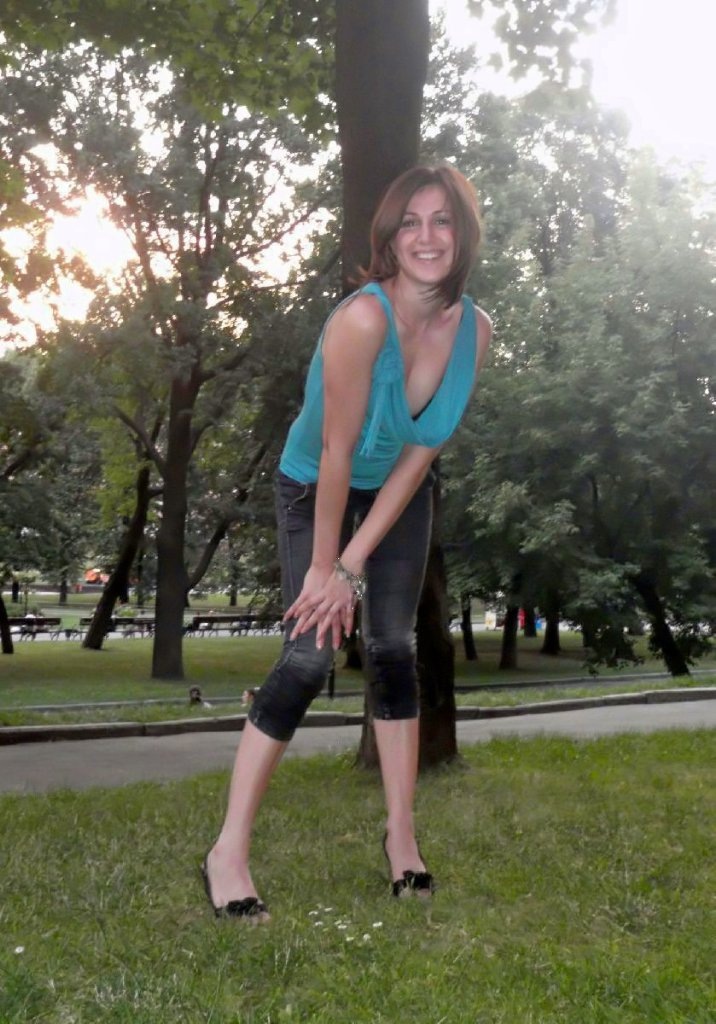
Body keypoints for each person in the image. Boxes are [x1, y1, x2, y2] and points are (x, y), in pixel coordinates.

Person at [201, 163, 492, 921]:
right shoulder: (363, 320)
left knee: (393, 647)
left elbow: (420, 455)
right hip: (316, 486)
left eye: (442, 220)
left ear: (463, 233)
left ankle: (402, 839)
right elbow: (336, 450)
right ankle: (228, 851)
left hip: (395, 490)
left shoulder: (475, 332)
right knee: (308, 653)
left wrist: (355, 566)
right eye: (410, 222)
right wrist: (326, 569)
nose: (426, 237)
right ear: (389, 236)